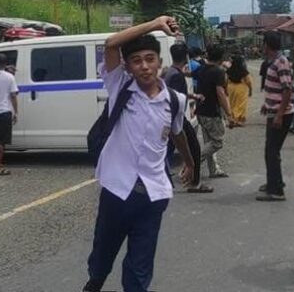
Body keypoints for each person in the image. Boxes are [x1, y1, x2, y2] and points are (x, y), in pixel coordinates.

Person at [83, 16, 194, 292]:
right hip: (117, 192)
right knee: (102, 256)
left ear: (159, 62)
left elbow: (178, 133)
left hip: (152, 196)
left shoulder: (174, 100)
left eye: (149, 59)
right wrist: (155, 24)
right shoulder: (120, 86)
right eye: (136, 60)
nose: (144, 66)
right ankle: (94, 283)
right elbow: (111, 44)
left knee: (140, 267)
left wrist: (191, 163)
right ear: (128, 67)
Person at [164, 43, 211, 194]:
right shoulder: (177, 75)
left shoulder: (170, 72)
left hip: (171, 117)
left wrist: (193, 95)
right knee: (194, 147)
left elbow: (175, 93)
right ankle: (194, 183)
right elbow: (176, 97)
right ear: (186, 57)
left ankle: (168, 179)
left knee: (167, 151)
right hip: (176, 118)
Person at [257, 31, 294, 202]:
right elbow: (277, 89)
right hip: (274, 111)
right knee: (270, 150)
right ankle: (274, 181)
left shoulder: (281, 62)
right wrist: (268, 104)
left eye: (263, 43)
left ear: (267, 45)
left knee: (271, 151)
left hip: (282, 113)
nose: (261, 46)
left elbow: (287, 89)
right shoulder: (273, 62)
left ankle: (277, 189)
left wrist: (279, 114)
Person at [192, 44, 234, 180]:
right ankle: (191, 163)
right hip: (211, 112)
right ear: (221, 57)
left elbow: (189, 74)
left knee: (208, 141)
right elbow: (220, 93)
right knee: (217, 142)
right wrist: (229, 114)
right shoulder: (218, 71)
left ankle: (213, 170)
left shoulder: (201, 68)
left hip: (201, 111)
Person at [226, 54, 252, 127]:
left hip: (231, 88)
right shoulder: (244, 71)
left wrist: (226, 89)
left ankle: (233, 119)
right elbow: (248, 81)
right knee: (241, 104)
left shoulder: (229, 70)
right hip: (241, 88)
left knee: (232, 103)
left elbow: (226, 80)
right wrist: (250, 89)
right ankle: (239, 120)